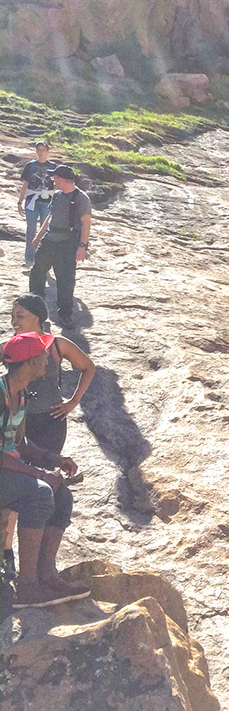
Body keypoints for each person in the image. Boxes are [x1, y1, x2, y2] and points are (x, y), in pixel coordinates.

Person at [4, 297, 91, 603]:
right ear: (29, 364)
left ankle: (46, 575)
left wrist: (51, 459)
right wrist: (38, 472)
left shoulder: (21, 396)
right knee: (40, 492)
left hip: (10, 470)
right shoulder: (2, 396)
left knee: (61, 493)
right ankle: (26, 586)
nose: (46, 360)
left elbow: (19, 443)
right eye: (40, 357)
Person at [26, 166, 85, 327]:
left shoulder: (81, 197)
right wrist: (38, 236)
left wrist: (82, 245)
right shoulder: (57, 195)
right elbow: (50, 217)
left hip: (67, 242)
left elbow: (87, 223)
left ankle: (65, 313)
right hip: (49, 239)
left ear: (61, 178)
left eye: (55, 177)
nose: (53, 180)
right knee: (37, 271)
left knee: (65, 279)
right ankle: (34, 307)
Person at [16, 143, 52, 265]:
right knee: (31, 229)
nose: (41, 152)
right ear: (36, 151)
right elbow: (25, 185)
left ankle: (42, 259)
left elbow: (58, 185)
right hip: (31, 201)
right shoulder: (30, 166)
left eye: (43, 150)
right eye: (39, 150)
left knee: (45, 230)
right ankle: (29, 258)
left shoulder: (53, 167)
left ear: (47, 151)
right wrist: (20, 202)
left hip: (47, 202)